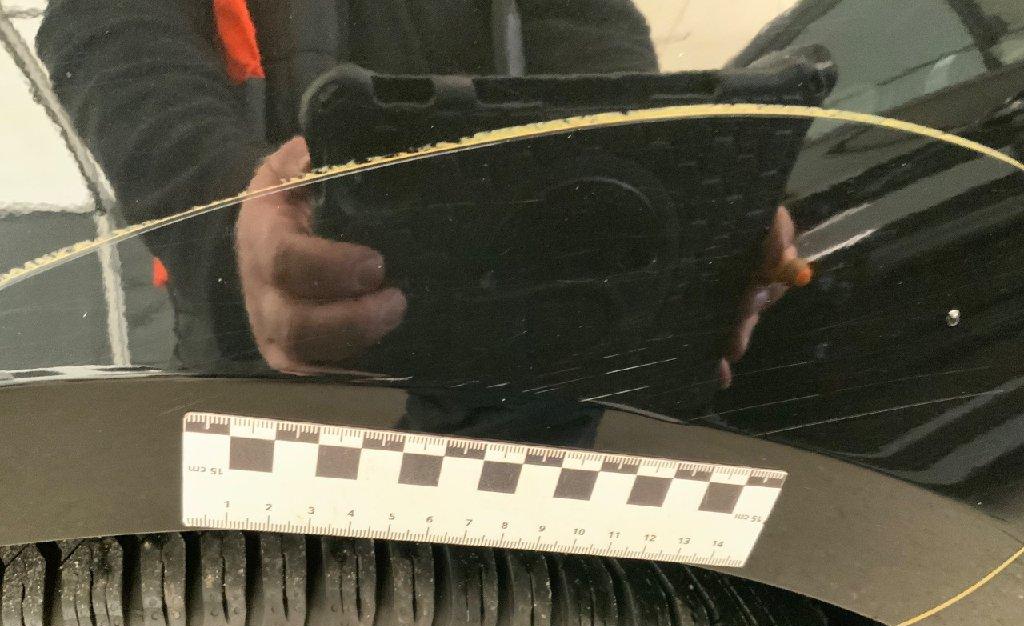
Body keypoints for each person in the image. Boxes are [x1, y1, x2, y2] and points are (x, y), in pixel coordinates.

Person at [37, 0, 805, 388]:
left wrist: (668, 180)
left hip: (532, 355)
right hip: (270, 369)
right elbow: (112, 33)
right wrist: (231, 210)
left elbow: (586, 28)